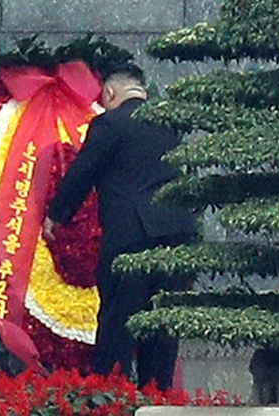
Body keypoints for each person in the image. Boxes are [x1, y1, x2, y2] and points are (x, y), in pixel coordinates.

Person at [43, 62, 196, 389]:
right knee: (163, 325)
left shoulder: (110, 124)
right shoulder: (172, 125)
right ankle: (157, 399)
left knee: (118, 324)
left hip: (132, 237)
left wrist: (57, 215)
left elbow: (83, 173)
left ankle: (111, 398)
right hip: (180, 238)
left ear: (110, 93)